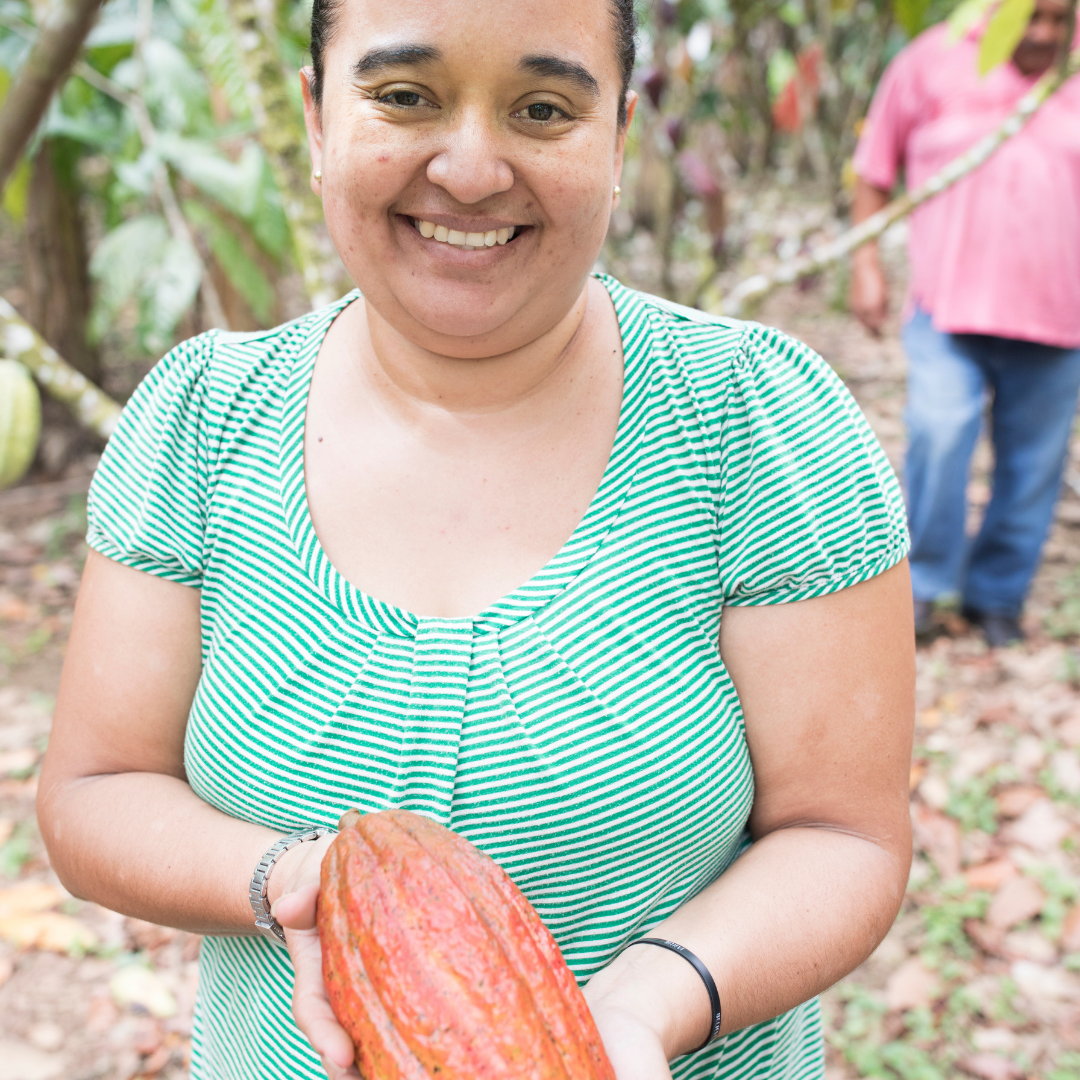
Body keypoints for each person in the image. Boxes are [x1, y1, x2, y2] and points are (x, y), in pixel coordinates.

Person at [37, 2, 914, 1078]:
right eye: (404, 97)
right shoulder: (203, 420)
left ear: (619, 139)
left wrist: (640, 1010)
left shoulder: (754, 424)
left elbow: (846, 838)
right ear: (317, 120)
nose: (468, 168)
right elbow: (93, 794)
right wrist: (293, 881)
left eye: (542, 109)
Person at [849, 0, 1080, 647]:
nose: (1045, 34)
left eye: (1060, 20)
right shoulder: (929, 61)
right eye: (1032, 18)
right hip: (947, 308)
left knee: (1034, 466)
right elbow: (874, 170)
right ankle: (920, 589)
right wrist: (866, 263)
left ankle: (997, 598)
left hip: (1060, 316)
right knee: (940, 433)